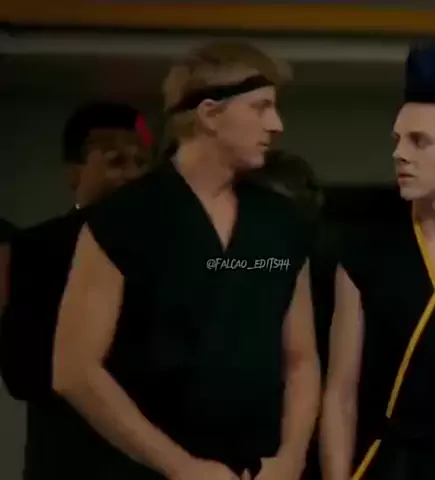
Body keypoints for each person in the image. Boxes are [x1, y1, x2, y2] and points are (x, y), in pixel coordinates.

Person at [53, 41, 320, 480]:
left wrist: (291, 458)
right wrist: (181, 468)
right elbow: (74, 370)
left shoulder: (283, 223)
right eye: (261, 108)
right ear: (210, 114)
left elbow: (301, 358)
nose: (276, 125)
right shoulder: (123, 219)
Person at [320, 41, 435, 480]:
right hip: (395, 465)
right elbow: (340, 393)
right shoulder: (365, 247)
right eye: (397, 140)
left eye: (419, 141)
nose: (399, 154)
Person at [0, 101, 153, 479]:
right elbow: (22, 373)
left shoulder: (171, 247)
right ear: (74, 172)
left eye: (141, 163)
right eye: (116, 161)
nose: (133, 175)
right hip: (69, 460)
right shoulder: (39, 247)